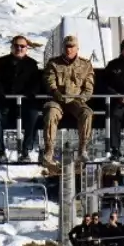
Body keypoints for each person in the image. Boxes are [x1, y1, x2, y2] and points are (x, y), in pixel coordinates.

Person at [42, 35, 95, 167]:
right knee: (51, 112)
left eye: (72, 47)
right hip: (58, 99)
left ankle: (82, 150)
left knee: (87, 113)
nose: (69, 50)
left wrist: (82, 98)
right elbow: (49, 81)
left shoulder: (85, 65)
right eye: (66, 46)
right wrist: (56, 92)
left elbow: (89, 87)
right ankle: (49, 150)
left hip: (75, 100)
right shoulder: (54, 63)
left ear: (77, 48)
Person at [0, 35, 41, 163]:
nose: (19, 48)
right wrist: (1, 94)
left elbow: (36, 83)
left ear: (26, 48)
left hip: (24, 104)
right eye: (16, 46)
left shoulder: (32, 64)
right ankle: (1, 151)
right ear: (12, 47)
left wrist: (29, 93)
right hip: (6, 103)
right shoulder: (2, 63)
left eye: (22, 46)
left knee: (33, 114)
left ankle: (26, 150)